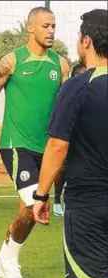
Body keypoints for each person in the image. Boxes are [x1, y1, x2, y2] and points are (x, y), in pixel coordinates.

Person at [0, 6, 69, 278]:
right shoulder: (11, 61)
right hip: (16, 145)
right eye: (46, 26)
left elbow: (63, 107)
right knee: (33, 205)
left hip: (47, 149)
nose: (51, 31)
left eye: (54, 26)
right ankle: (10, 263)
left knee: (30, 212)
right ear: (31, 28)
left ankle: (1, 261)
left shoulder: (60, 64)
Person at [33, 9, 108, 278]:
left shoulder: (78, 86)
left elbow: (57, 146)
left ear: (86, 41)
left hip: (89, 203)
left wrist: (41, 196)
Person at [52, 62, 86, 216]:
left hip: (86, 138)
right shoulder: (65, 92)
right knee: (62, 168)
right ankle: (57, 198)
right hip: (68, 135)